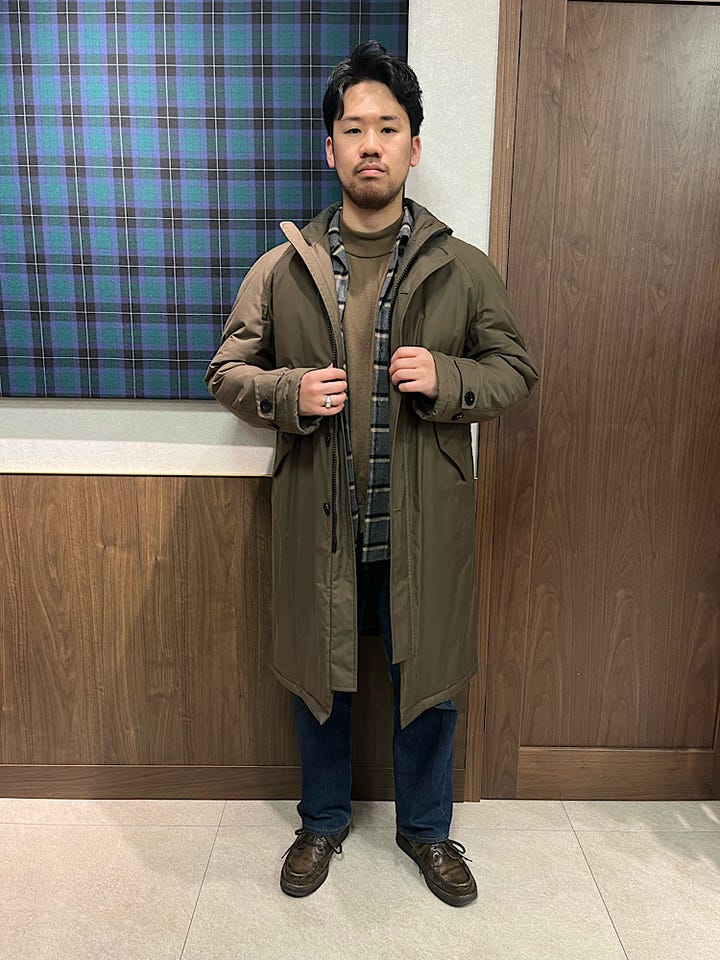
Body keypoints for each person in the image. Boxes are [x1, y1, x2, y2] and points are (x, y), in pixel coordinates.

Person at [206, 41, 538, 907]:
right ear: (330, 148)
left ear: (413, 147)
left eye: (388, 128)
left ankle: (428, 832)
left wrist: (450, 378)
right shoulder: (282, 268)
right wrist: (286, 391)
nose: (370, 144)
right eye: (353, 128)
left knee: (429, 686)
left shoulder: (461, 266)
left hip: (422, 528)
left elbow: (515, 369)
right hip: (319, 525)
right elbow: (226, 372)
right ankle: (321, 822)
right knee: (318, 683)